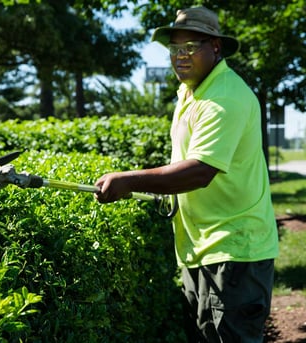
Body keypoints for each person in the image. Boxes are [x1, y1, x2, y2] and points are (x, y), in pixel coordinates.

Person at [94, 6, 279, 343]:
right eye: (174, 49)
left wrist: (129, 179)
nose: (180, 56)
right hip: (202, 247)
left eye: (190, 47)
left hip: (235, 250)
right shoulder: (191, 92)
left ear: (216, 48)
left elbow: (201, 170)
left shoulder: (225, 97)